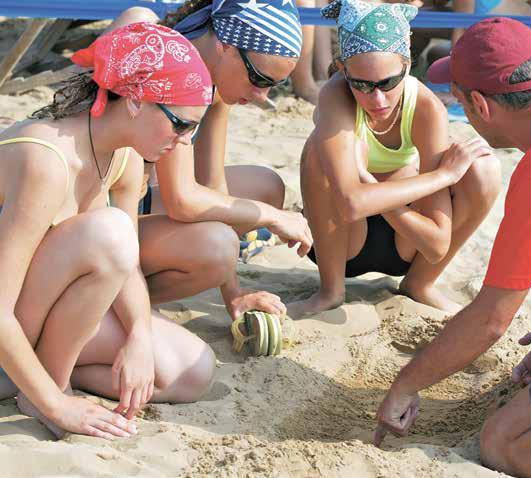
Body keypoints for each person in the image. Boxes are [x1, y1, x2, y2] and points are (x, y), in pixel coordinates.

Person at [374, 17, 531, 478]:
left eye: (460, 100)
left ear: (479, 104)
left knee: (503, 441)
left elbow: (491, 318)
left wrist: (404, 386)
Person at [0, 23, 216, 439]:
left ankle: (38, 378)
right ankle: (45, 390)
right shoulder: (45, 160)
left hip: (33, 318)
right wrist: (57, 406)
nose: (184, 141)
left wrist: (138, 335)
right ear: (135, 101)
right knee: (111, 233)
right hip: (8, 326)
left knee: (191, 371)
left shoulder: (122, 155)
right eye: (181, 124)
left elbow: (124, 265)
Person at [100, 1, 313, 321]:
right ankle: (116, 305)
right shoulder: (162, 52)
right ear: (225, 45)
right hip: (94, 215)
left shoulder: (210, 81)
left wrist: (235, 296)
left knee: (265, 187)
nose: (262, 97)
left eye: (274, 85)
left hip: (131, 200)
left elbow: (214, 186)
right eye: (258, 77)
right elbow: (182, 201)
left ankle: (129, 296)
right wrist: (273, 218)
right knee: (219, 246)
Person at [289, 0, 501, 318]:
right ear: (344, 70)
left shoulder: (427, 108)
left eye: (388, 83)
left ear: (407, 63)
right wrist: (442, 176)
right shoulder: (335, 94)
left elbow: (436, 244)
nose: (377, 99)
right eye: (362, 84)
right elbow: (350, 205)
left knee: (485, 170)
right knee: (318, 149)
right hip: (342, 245)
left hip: (407, 242)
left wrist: (370, 184)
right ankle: (330, 291)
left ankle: (420, 284)